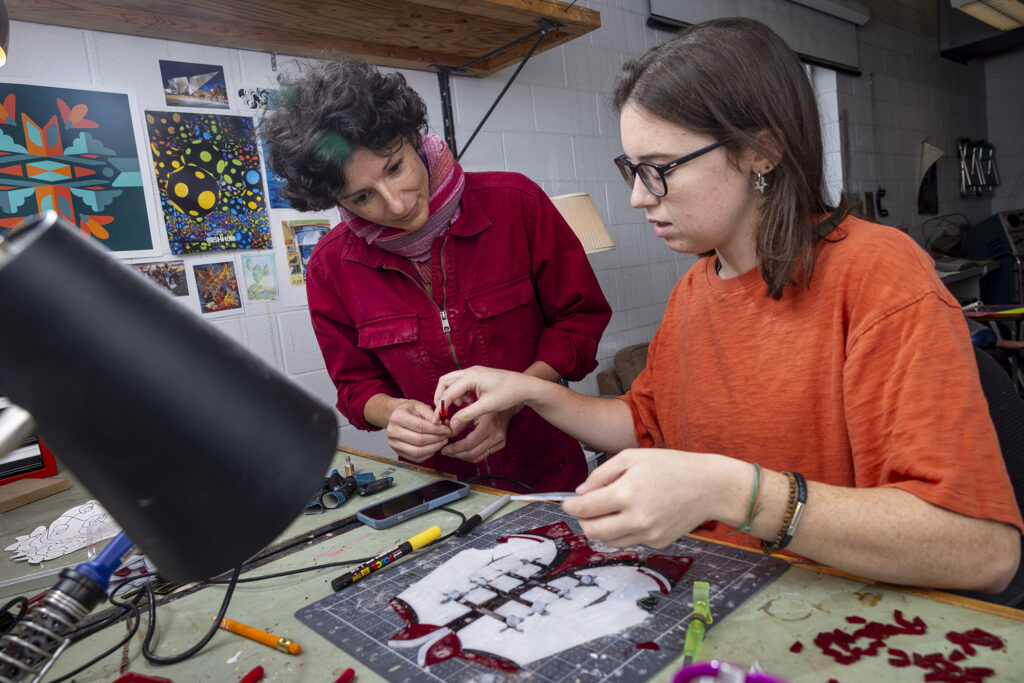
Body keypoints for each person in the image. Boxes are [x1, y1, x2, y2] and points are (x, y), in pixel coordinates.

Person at [433, 18, 1022, 592]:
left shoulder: (877, 274)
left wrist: (733, 492)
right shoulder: (698, 285)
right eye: (631, 170)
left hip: (837, 610)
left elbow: (979, 549)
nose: (639, 197)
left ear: (760, 152)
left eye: (658, 170)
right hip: (722, 588)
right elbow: (649, 424)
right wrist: (535, 391)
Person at [259, 59, 611, 493]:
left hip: (550, 471)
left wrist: (517, 396)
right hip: (436, 490)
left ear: (412, 138)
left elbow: (580, 322)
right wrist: (390, 413)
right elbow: (354, 385)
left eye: (395, 167)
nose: (396, 203)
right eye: (363, 196)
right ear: (336, 199)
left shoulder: (517, 203)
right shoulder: (330, 267)